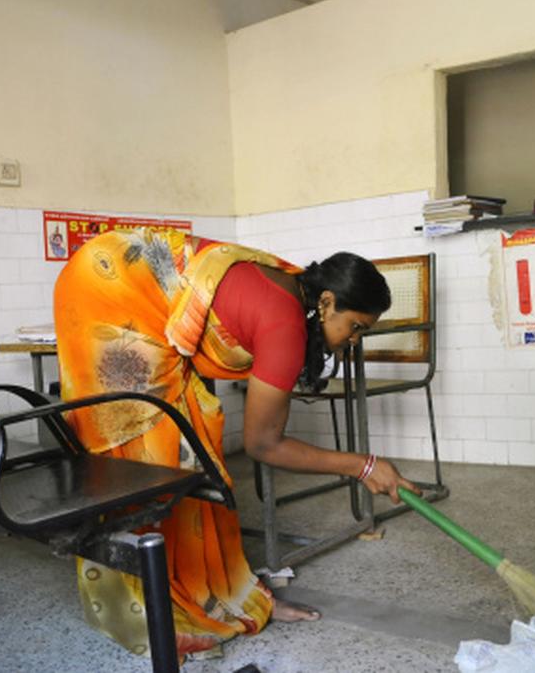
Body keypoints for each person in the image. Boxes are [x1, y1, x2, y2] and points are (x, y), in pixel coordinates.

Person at [52, 228, 416, 658]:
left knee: (196, 463)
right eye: (354, 327)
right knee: (144, 458)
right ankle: (151, 608)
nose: (353, 341)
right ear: (326, 302)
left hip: (127, 281)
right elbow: (264, 444)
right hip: (108, 289)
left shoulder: (295, 291)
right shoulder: (285, 326)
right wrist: (363, 466)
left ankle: (221, 593)